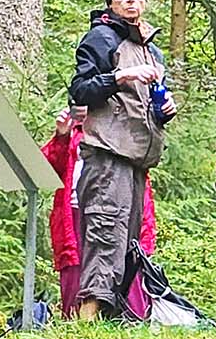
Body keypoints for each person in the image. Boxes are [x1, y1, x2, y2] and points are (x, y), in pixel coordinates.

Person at [68, 0, 177, 318]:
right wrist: (121, 76)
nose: (131, 0)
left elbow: (142, 105)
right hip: (106, 155)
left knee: (129, 245)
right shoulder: (100, 39)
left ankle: (110, 321)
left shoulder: (150, 49)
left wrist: (164, 110)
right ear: (111, 3)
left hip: (136, 159)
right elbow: (81, 91)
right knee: (104, 234)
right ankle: (85, 323)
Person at [41, 104, 156, 320]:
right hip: (73, 215)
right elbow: (49, 168)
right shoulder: (74, 131)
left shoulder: (126, 126)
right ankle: (78, 336)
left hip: (122, 212)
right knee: (77, 280)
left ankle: (129, 333)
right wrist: (61, 135)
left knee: (127, 279)